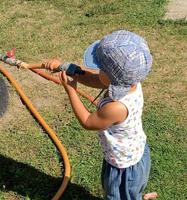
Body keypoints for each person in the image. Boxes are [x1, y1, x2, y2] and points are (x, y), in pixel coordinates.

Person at [43, 30, 157, 200]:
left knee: (117, 195)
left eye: (100, 68)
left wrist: (71, 91)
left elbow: (88, 122)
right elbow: (97, 79)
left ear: (112, 77)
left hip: (122, 166)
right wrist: (68, 68)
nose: (96, 70)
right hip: (133, 153)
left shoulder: (116, 107)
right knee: (131, 193)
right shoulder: (129, 81)